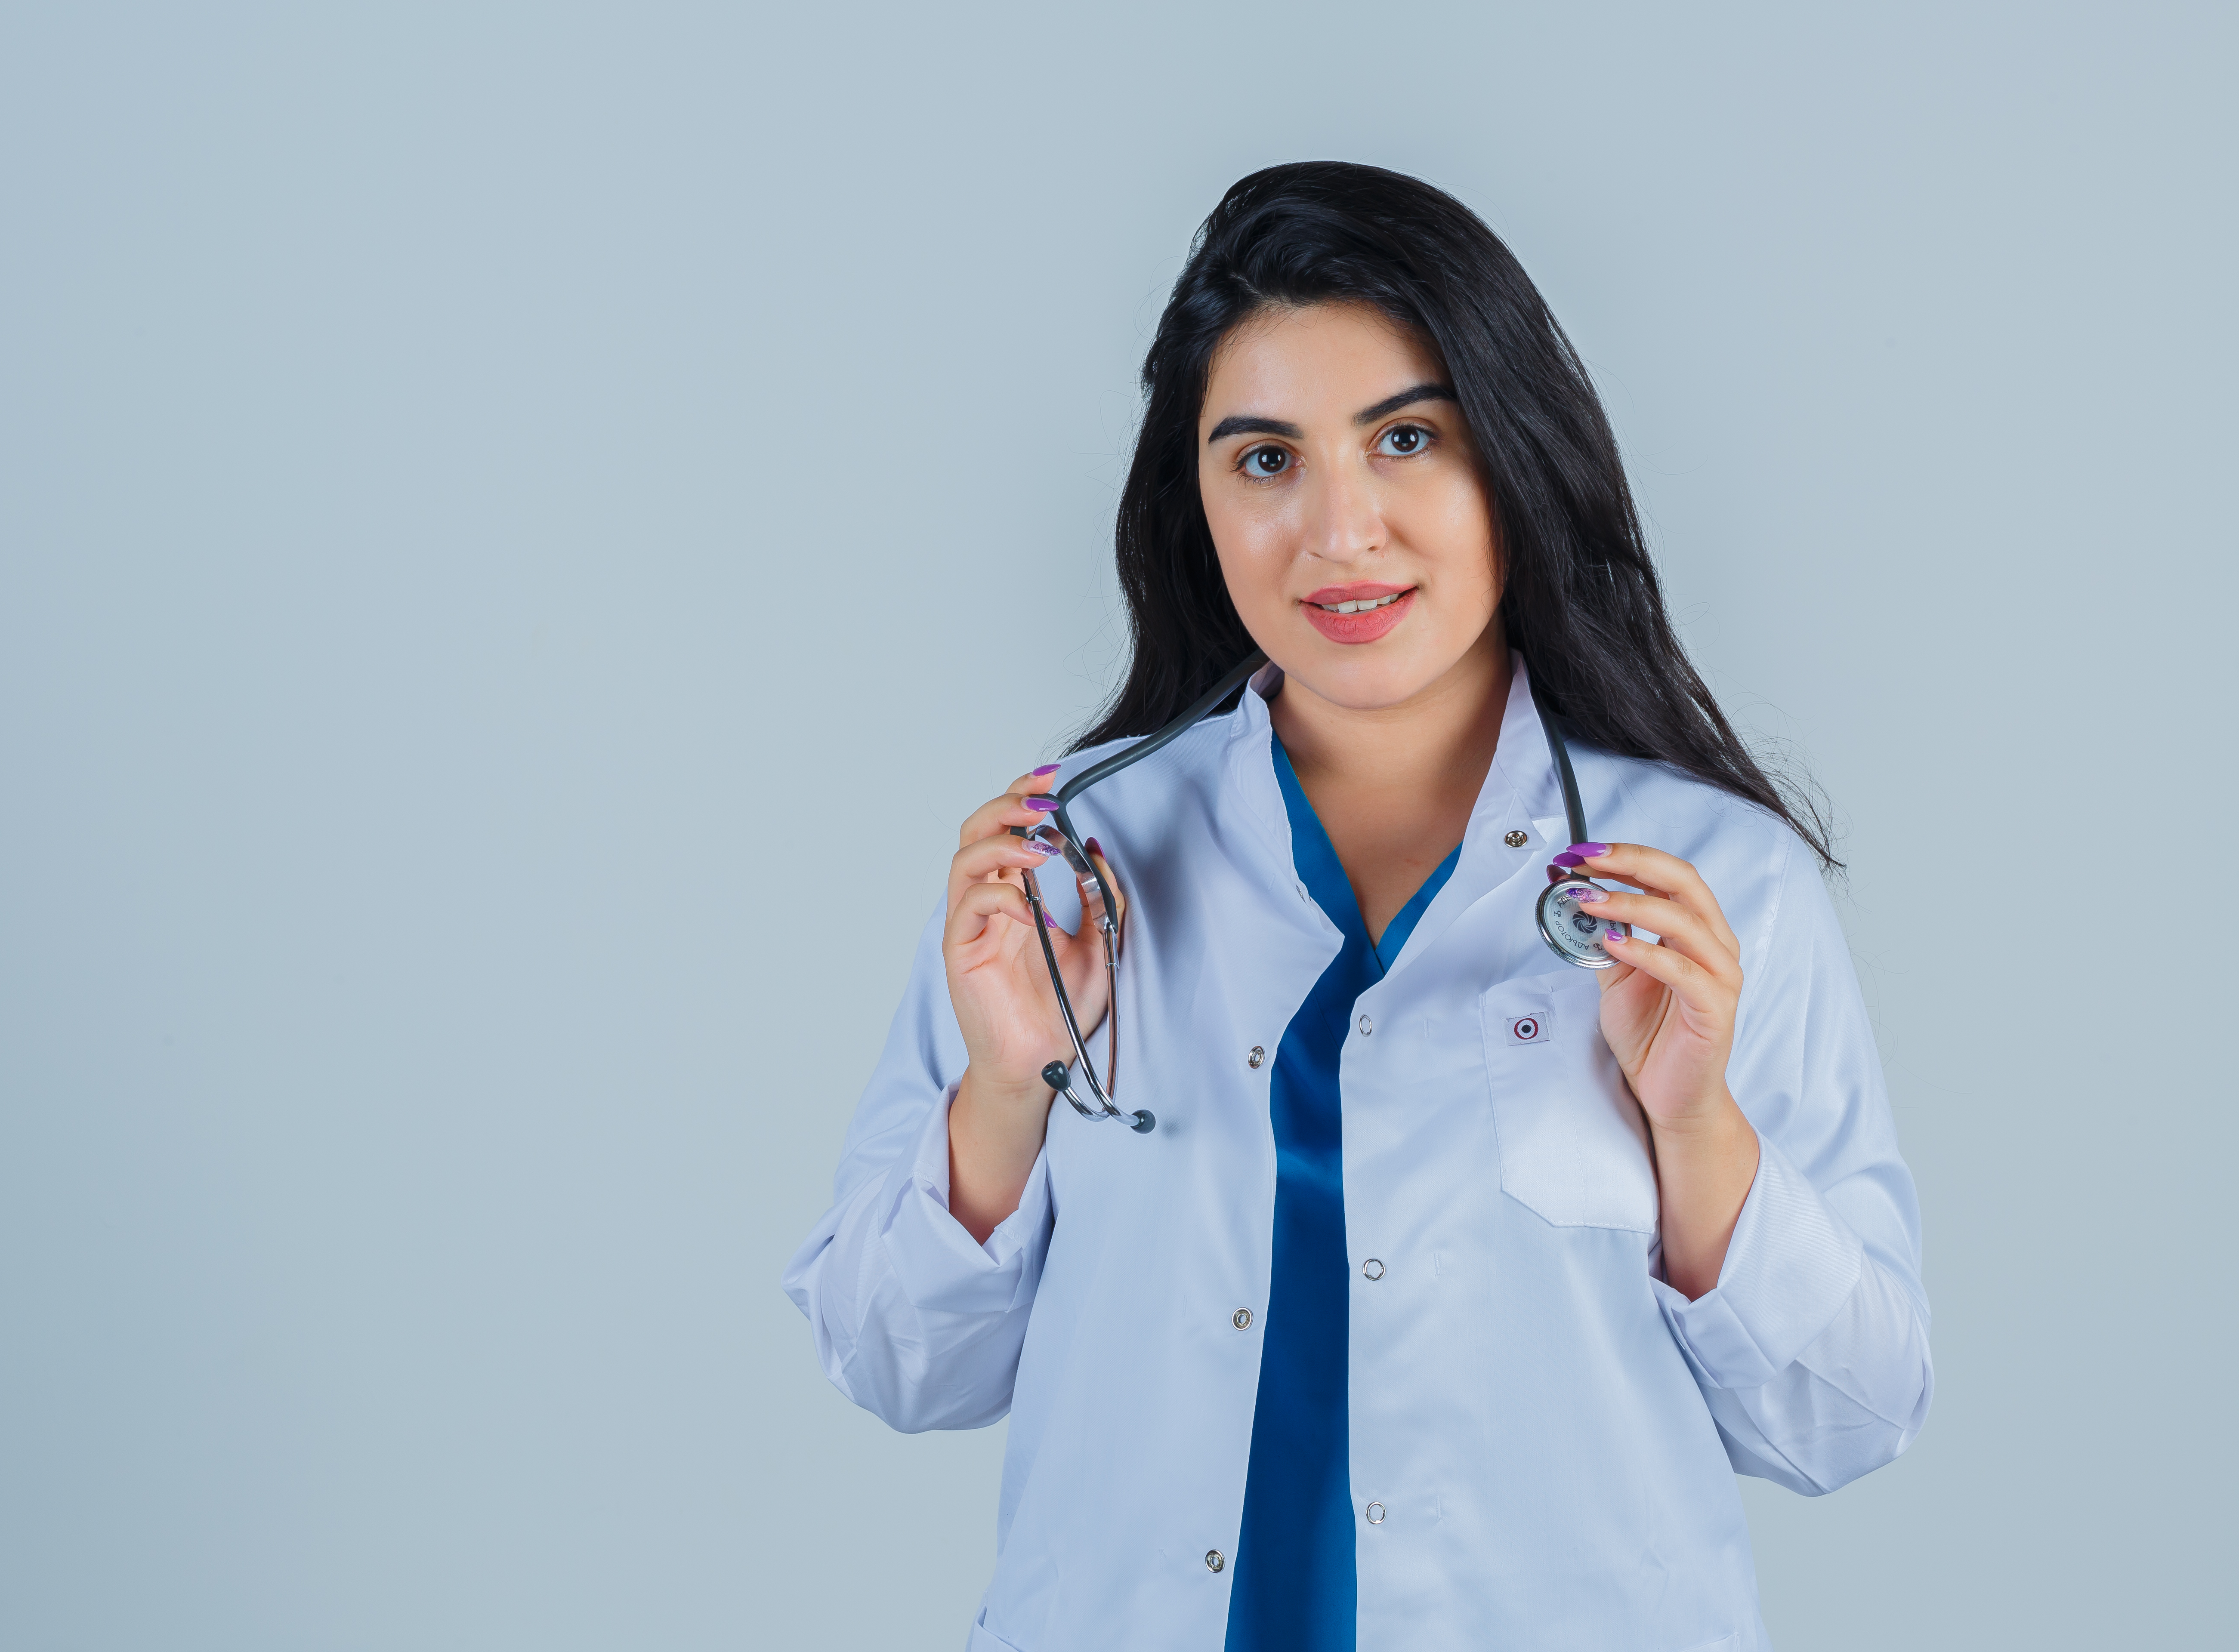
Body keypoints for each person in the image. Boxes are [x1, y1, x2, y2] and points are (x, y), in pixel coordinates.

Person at [784, 161, 1930, 1652]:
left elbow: (1850, 1417)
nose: (1340, 531)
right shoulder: (1072, 859)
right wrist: (1006, 1093)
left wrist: (1699, 1133)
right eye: (1265, 462)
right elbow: (893, 1363)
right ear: (1194, 502)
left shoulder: (1711, 886)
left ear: (1512, 458)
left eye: (1406, 440)